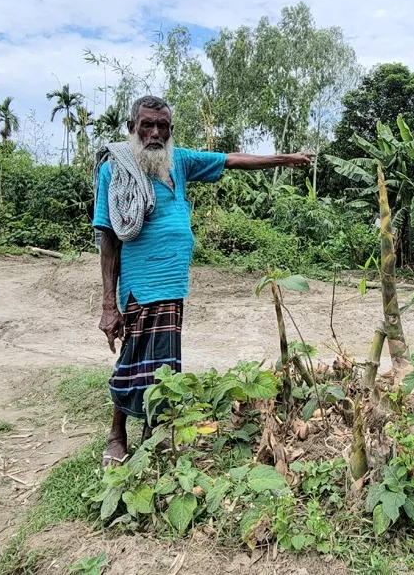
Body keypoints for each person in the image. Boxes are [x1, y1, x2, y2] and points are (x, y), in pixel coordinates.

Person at [93, 95, 313, 465]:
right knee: (132, 360)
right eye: (147, 125)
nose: (155, 133)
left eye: (162, 126)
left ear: (171, 130)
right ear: (132, 128)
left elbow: (233, 160)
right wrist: (108, 303)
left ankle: (154, 431)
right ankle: (117, 435)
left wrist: (286, 158)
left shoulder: (180, 162)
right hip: (139, 286)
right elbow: (108, 238)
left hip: (172, 285)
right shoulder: (115, 169)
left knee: (163, 365)